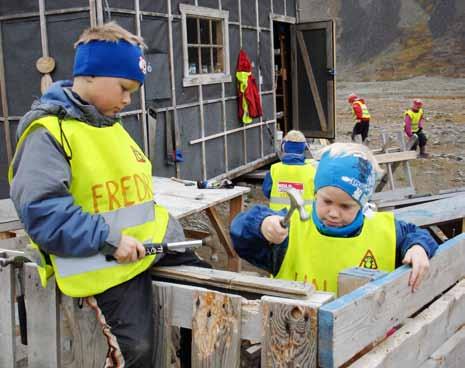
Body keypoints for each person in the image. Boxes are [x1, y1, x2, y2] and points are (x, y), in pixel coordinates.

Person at [9, 22, 207, 367]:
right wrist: (109, 240)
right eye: (124, 87)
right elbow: (42, 212)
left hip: (145, 250)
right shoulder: (49, 133)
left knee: (208, 299)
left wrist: (170, 235)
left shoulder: (108, 126)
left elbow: (135, 199)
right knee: (137, 351)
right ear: (91, 74)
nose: (128, 99)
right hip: (103, 262)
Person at [231, 143, 437, 294]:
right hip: (295, 340)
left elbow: (417, 235)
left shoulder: (385, 230)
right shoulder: (292, 228)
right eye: (327, 201)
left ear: (362, 203)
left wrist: (418, 247)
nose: (334, 213)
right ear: (315, 194)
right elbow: (241, 236)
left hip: (362, 342)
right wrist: (262, 224)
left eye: (346, 206)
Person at [262, 130, 315, 211]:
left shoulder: (274, 169)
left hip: (278, 220)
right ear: (304, 148)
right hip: (305, 221)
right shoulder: (312, 171)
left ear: (283, 147)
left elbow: (266, 190)